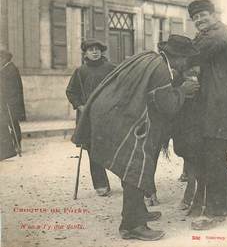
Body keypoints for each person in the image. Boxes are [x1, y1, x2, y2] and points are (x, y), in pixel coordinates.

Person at [72, 35, 200, 241]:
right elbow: (166, 105)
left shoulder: (151, 58)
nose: (187, 64)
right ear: (178, 57)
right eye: (187, 59)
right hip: (118, 118)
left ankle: (138, 211)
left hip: (109, 113)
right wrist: (182, 91)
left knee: (132, 166)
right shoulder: (160, 70)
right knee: (135, 166)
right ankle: (132, 226)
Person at [187, 0, 227, 230]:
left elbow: (192, 55)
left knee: (213, 153)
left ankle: (216, 212)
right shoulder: (209, 34)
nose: (199, 20)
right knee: (212, 152)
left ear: (214, 14)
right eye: (195, 18)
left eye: (203, 15)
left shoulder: (219, 34)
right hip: (213, 100)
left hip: (220, 102)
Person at [66, 39, 115, 196]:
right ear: (85, 53)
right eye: (91, 49)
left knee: (116, 148)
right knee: (93, 150)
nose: (95, 52)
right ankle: (101, 184)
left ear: (102, 52)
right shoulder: (80, 71)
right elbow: (71, 92)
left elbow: (121, 87)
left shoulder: (112, 69)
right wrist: (80, 106)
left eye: (97, 49)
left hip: (109, 115)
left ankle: (128, 183)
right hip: (88, 118)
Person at [0, 49, 26, 160]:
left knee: (13, 123)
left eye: (1, 58)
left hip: (11, 101)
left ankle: (17, 144)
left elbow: (13, 87)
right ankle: (13, 144)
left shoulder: (10, 69)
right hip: (7, 101)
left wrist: (8, 99)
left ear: (5, 58)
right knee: (10, 123)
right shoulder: (5, 68)